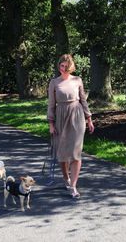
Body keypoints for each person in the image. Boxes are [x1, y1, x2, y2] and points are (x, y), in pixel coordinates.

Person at [47, 54, 94, 198]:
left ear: (71, 67)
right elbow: (51, 104)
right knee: (62, 154)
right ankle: (65, 177)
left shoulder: (77, 80)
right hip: (61, 116)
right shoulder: (54, 82)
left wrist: (89, 118)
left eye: (67, 66)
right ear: (59, 66)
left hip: (76, 116)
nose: (64, 68)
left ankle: (73, 186)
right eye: (62, 66)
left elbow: (84, 101)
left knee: (75, 153)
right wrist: (51, 123)